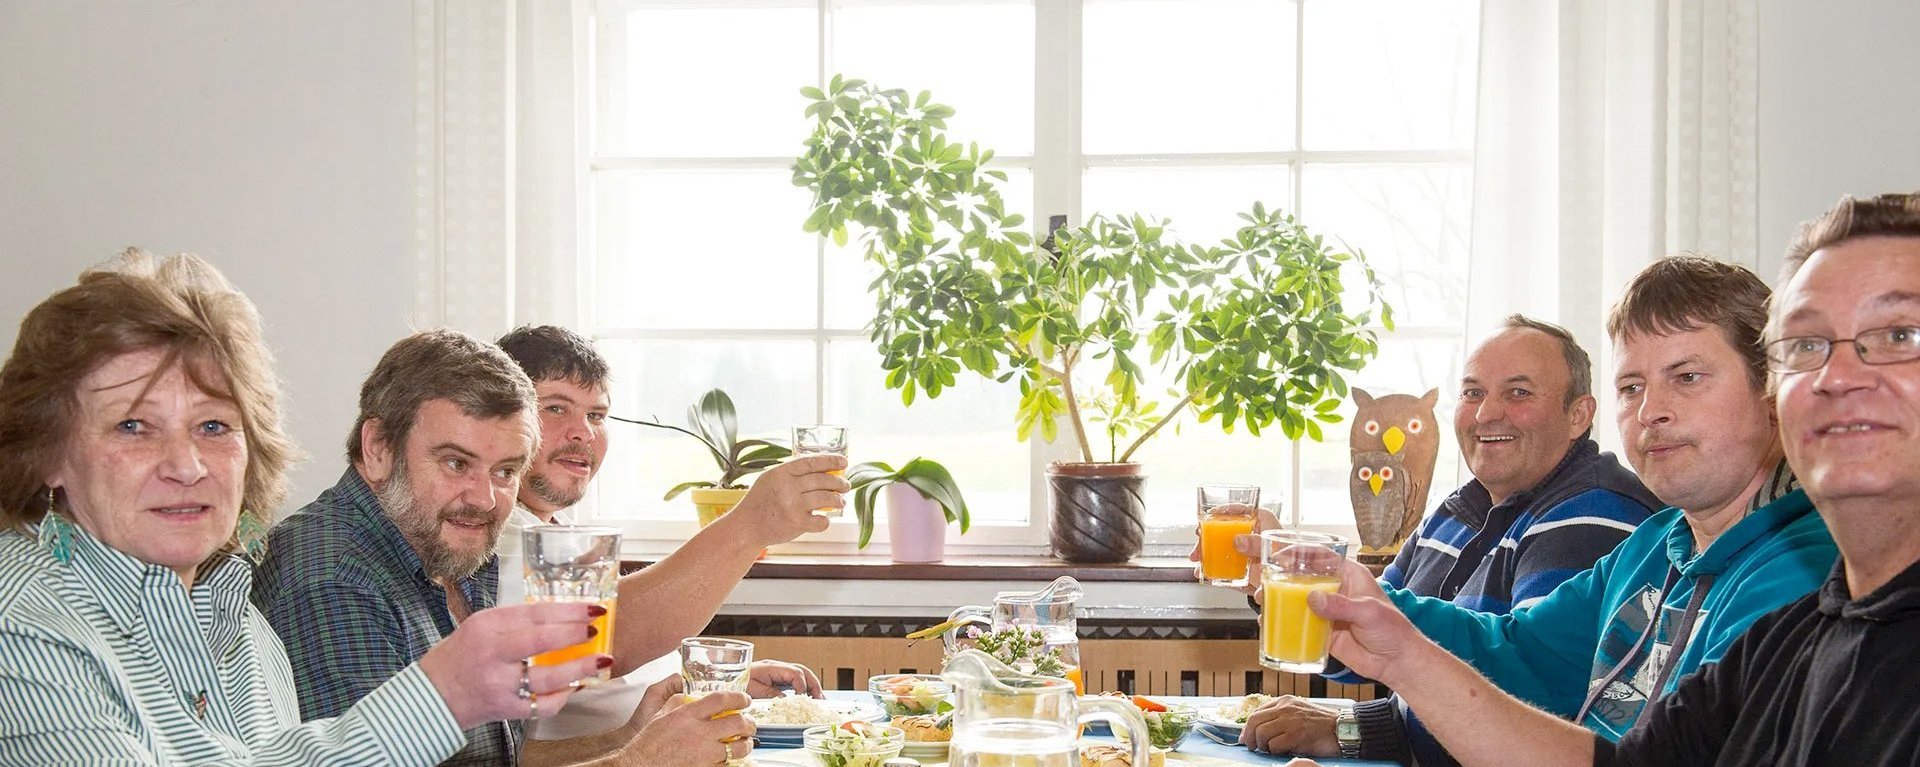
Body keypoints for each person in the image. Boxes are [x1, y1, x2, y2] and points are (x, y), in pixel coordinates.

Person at [1296, 192, 1920, 766]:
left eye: (1688, 376)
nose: (1652, 411)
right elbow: (1523, 661)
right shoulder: (1663, 548)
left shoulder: (1793, 580)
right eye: (1631, 386)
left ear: (1766, 393)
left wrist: (1387, 678)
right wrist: (1386, 629)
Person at [0, 250, 601, 765]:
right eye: (134, 426)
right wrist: (440, 697)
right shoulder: (23, 620)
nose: (186, 465)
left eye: (214, 426)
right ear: (48, 451)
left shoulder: (238, 622)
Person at [1233, 315, 1661, 763]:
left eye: (1518, 393)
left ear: (1578, 416)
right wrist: (1284, 577)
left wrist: (1355, 730)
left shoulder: (1593, 513)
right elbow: (1366, 638)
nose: (1485, 413)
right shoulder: (1458, 509)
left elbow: (1522, 694)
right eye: (1473, 392)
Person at [492, 325, 830, 765]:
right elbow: (602, 636)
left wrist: (702, 682)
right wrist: (751, 524)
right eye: (557, 408)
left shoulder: (557, 527)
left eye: (596, 416)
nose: (584, 434)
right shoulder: (496, 531)